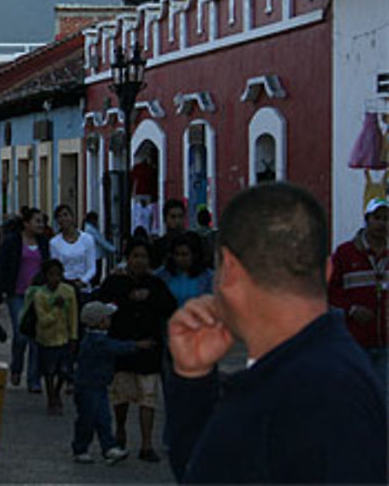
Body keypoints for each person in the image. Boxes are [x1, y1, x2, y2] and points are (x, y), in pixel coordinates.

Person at [166, 183, 387, 483]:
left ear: (228, 271)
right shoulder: (303, 368)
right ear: (326, 271)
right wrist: (193, 380)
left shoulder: (318, 386)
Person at [96, 237, 176, 462]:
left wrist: (149, 299)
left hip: (149, 348)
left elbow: (169, 307)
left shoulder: (155, 285)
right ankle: (120, 430)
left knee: (148, 396)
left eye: (144, 257)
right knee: (121, 395)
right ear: (127, 258)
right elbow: (101, 306)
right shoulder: (114, 283)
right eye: (135, 256)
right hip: (122, 348)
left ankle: (147, 444)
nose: (139, 261)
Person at [72, 301, 151, 465]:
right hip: (90, 386)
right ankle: (83, 448)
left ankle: (108, 447)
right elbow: (116, 348)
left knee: (102, 417)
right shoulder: (98, 341)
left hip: (95, 385)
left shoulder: (93, 339)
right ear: (100, 322)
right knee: (89, 418)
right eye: (107, 318)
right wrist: (136, 345)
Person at [329, 197, 388, 393]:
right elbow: (330, 290)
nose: (382, 223)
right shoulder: (346, 254)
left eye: (386, 219)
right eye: (377, 218)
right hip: (355, 341)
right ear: (367, 220)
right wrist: (352, 309)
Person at [0, 209, 50, 391]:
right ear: (26, 223)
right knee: (21, 335)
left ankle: (33, 379)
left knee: (36, 338)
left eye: (42, 222)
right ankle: (17, 367)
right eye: (37, 221)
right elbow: (2, 268)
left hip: (39, 294)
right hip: (16, 294)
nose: (40, 225)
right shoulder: (12, 242)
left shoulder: (44, 243)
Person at [27, 259, 77, 415]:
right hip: (46, 339)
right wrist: (56, 308)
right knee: (49, 371)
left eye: (58, 274)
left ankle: (57, 392)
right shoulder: (40, 295)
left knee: (64, 370)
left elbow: (73, 315)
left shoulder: (68, 291)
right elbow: (43, 320)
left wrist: (74, 336)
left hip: (64, 337)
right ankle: (51, 397)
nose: (55, 278)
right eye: (51, 275)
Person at [155, 231, 213, 307]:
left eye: (184, 255)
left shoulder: (208, 277)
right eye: (176, 254)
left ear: (194, 255)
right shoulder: (162, 275)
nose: (179, 258)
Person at [50, 204, 98, 295]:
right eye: (59, 216)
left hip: (83, 287)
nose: (63, 219)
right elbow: (55, 267)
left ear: (72, 217)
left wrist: (82, 281)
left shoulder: (87, 239)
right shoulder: (54, 242)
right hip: (64, 287)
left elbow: (92, 267)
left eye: (65, 215)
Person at [151, 198, 186, 269]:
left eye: (180, 217)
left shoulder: (192, 243)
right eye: (173, 217)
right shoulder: (158, 247)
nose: (177, 221)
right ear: (165, 219)